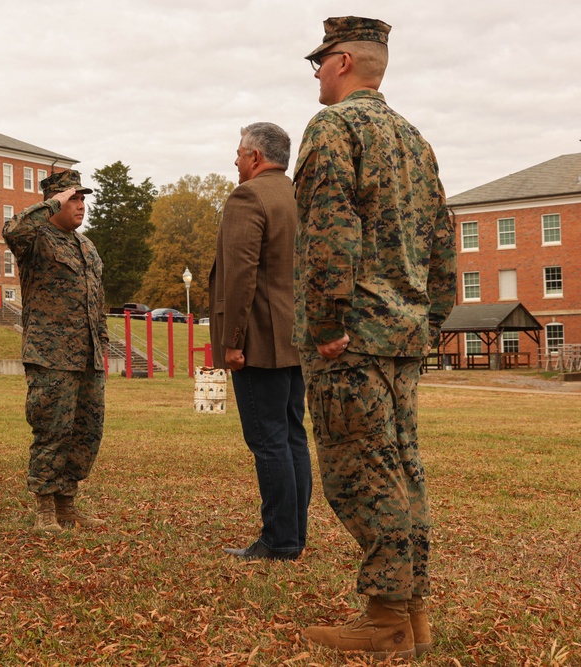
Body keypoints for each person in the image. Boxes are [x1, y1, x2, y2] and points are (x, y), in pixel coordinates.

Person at [293, 17, 457, 659]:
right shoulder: (415, 140)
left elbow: (329, 227)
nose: (314, 74)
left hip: (352, 339)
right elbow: (444, 240)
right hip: (403, 335)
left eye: (318, 62)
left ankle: (387, 616)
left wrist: (330, 322)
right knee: (403, 467)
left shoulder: (334, 128)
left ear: (341, 61)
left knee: (360, 472)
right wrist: (429, 320)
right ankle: (413, 613)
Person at [211, 123, 311, 562]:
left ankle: (278, 541)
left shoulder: (248, 196)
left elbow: (240, 275)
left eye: (238, 153)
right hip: (296, 338)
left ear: (255, 156)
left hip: (260, 343)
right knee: (292, 436)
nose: (234, 161)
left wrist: (232, 342)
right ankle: (294, 535)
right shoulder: (298, 195)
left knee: (269, 440)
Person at [2, 169, 108, 534]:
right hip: (51, 356)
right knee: (53, 430)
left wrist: (103, 344)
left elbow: (97, 300)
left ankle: (67, 503)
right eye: (72, 199)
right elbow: (12, 229)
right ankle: (45, 508)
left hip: (88, 356)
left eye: (82, 199)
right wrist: (50, 204)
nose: (80, 205)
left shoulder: (87, 247)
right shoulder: (36, 240)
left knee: (86, 431)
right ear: (54, 202)